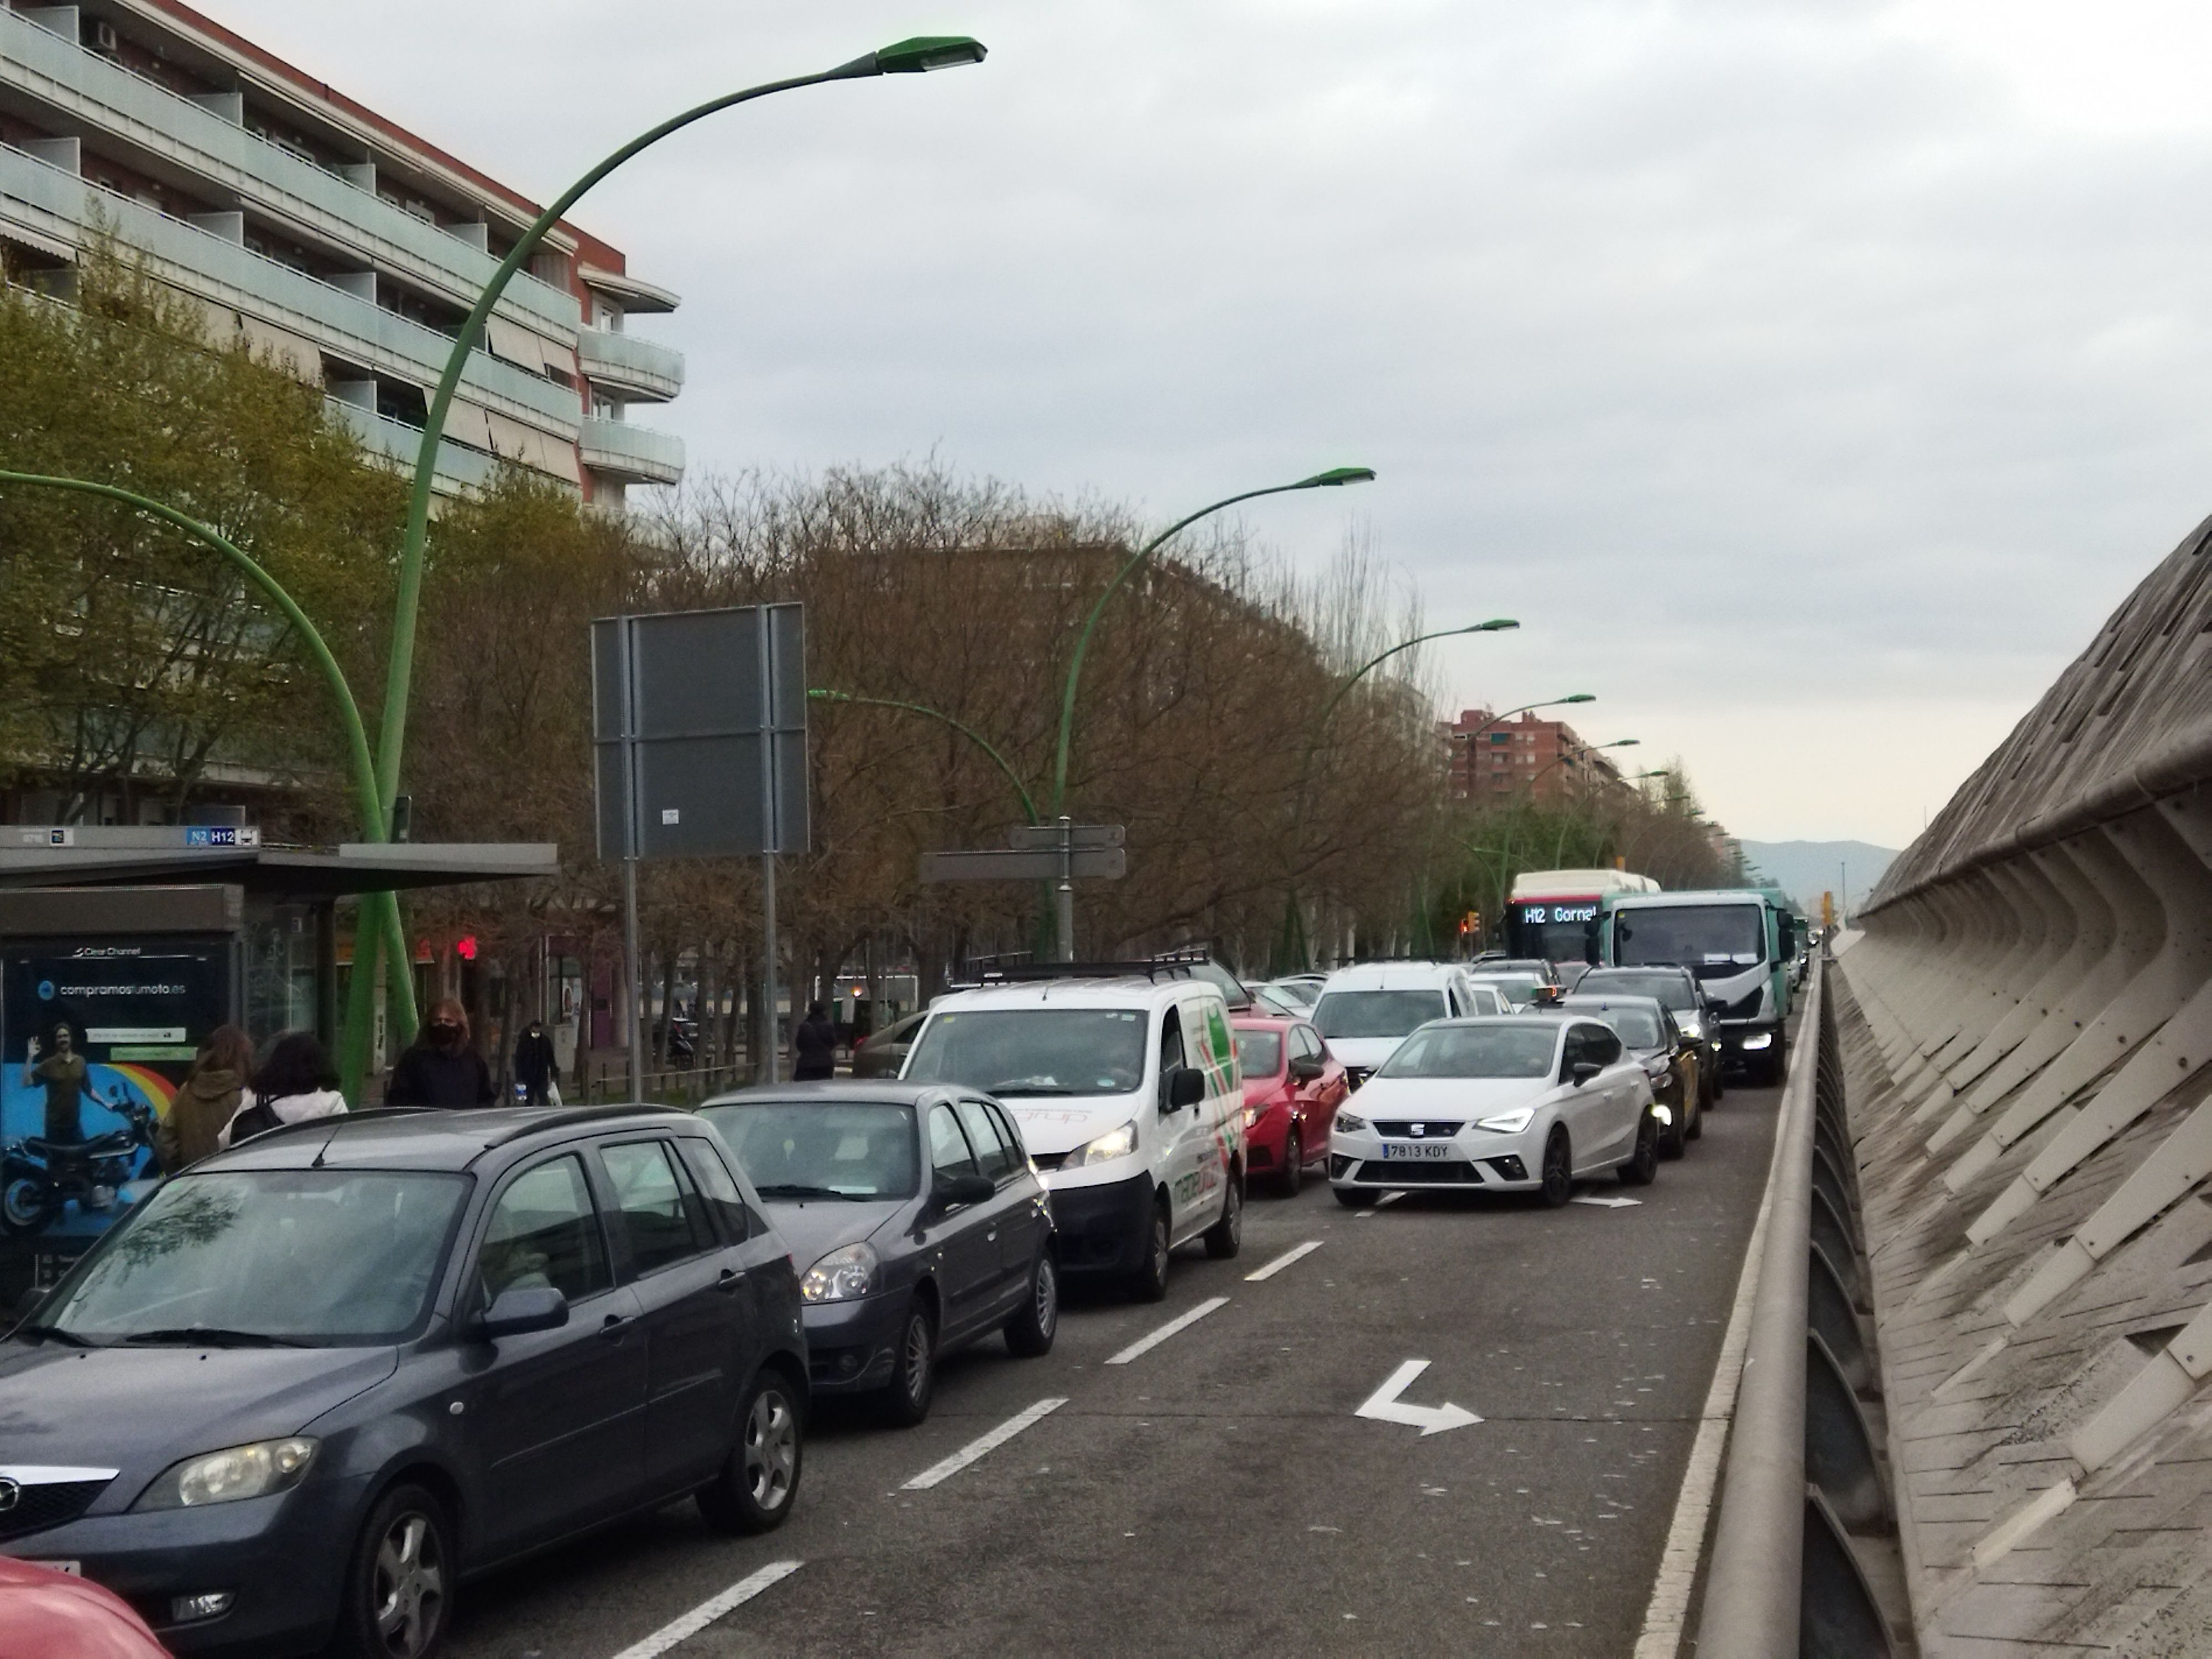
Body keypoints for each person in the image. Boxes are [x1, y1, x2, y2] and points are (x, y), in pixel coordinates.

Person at [219, 1031, 347, 1148]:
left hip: (262, 1170)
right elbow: (343, 1146)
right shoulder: (331, 1101)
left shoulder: (256, 1097)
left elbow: (224, 1140)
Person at [158, 1025, 255, 1171]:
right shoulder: (247, 1093)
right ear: (244, 1057)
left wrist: (184, 1172)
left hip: (195, 1181)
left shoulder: (187, 1090)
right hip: (237, 1182)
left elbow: (166, 1142)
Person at [384, 999, 497, 1108]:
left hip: (465, 1125)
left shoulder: (473, 1059)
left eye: (449, 1021)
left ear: (459, 1026)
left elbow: (486, 1098)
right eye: (437, 1021)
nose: (442, 1025)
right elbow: (399, 1099)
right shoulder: (413, 1059)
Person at [22, 1023, 99, 1144]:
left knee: (84, 1159)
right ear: (56, 1041)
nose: (63, 1039)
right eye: (60, 1037)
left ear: (70, 1038)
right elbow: (26, 1083)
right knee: (55, 1162)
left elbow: (88, 1089)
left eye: (65, 1036)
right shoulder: (48, 1065)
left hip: (74, 1126)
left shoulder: (80, 1062)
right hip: (54, 1128)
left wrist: (107, 1104)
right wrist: (30, 1057)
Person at [513, 1019, 557, 1106]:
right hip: (528, 1076)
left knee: (543, 1098)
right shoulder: (524, 1041)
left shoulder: (545, 1041)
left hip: (541, 1075)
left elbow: (551, 1058)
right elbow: (519, 1060)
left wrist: (554, 1074)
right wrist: (519, 1078)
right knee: (529, 1099)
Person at [793, 1001, 837, 1081]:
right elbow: (832, 1043)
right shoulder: (828, 1026)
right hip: (825, 1063)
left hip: (806, 1063)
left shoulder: (804, 1026)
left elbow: (799, 1044)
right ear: (824, 1011)